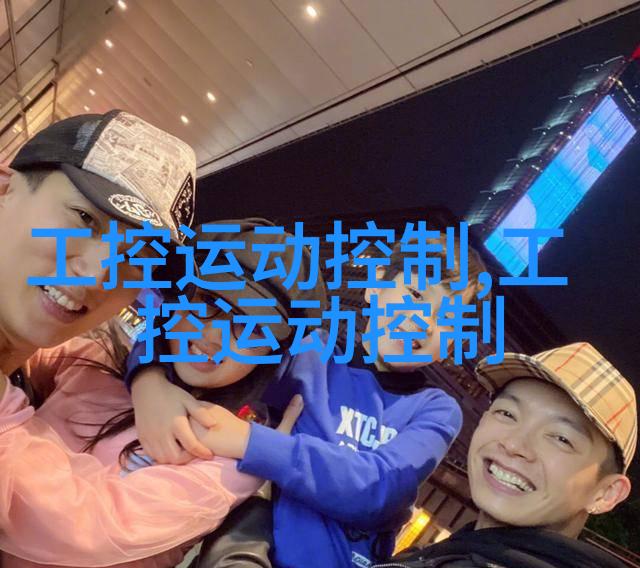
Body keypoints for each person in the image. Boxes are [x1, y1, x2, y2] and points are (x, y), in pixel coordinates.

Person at [128, 233, 491, 567]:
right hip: (243, 553)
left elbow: (381, 489)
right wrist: (149, 380)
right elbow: (190, 338)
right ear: (376, 284)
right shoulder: (309, 351)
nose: (424, 321)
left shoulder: (436, 409)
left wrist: (250, 442)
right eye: (415, 295)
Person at [0, 219, 325, 567]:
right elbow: (19, 349)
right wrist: (146, 380)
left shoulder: (226, 461)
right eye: (207, 301)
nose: (214, 335)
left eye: (252, 327)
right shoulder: (98, 362)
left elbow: (79, 529)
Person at [376, 342, 636, 568]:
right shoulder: (448, 553)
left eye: (561, 439)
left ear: (606, 493)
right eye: (507, 413)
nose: (513, 445)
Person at [0, 109, 197, 399]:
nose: (96, 277)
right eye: (85, 218)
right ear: (5, 190)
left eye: (135, 258)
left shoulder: (33, 387)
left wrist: (148, 382)